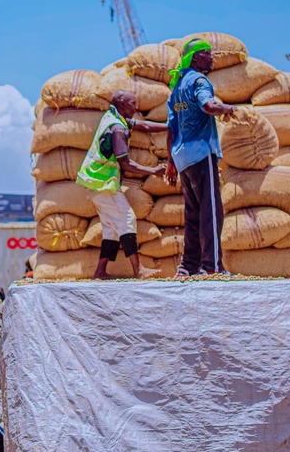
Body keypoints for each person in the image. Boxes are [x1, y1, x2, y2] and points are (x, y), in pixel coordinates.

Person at [164, 38, 238, 277]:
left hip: (182, 158)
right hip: (200, 153)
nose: (212, 58)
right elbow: (208, 105)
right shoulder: (198, 81)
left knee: (193, 214)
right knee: (211, 212)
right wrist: (227, 109)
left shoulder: (176, 88)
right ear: (195, 57)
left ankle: (188, 266)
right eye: (207, 53)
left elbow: (171, 129)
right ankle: (211, 266)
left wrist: (170, 163)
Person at [77, 90, 168, 279]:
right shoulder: (118, 128)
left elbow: (143, 125)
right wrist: (154, 171)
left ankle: (100, 271)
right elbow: (125, 163)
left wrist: (169, 126)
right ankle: (138, 269)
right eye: (133, 103)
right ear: (122, 102)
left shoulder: (112, 117)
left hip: (95, 182)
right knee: (127, 219)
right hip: (103, 183)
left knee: (111, 228)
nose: (136, 107)